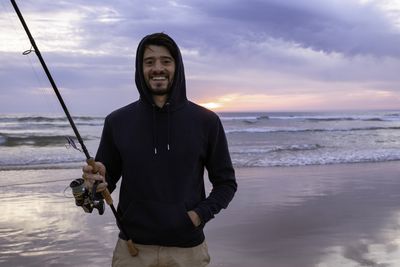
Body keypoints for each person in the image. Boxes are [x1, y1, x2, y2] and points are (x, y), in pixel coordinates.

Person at [82, 32, 237, 267]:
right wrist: (92, 185)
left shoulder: (206, 121)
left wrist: (197, 216)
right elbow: (102, 186)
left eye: (166, 61)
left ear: (177, 66)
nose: (158, 68)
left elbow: (226, 183)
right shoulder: (117, 121)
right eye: (149, 62)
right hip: (132, 250)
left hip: (188, 251)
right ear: (140, 68)